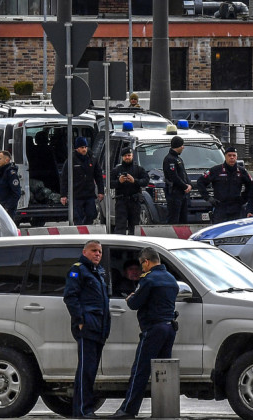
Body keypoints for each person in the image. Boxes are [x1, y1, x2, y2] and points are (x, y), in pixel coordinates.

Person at [112, 246, 179, 419]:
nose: (142, 269)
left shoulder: (148, 279)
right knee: (164, 370)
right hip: (169, 328)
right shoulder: (171, 279)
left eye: (142, 266)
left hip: (153, 329)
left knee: (140, 370)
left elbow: (135, 304)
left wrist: (131, 297)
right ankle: (166, 409)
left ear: (147, 262)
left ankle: (128, 410)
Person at [63, 240, 111, 419]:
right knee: (87, 371)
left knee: (88, 370)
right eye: (93, 250)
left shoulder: (98, 272)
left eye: (99, 251)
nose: (97, 254)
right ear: (84, 252)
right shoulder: (78, 270)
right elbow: (70, 297)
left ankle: (81, 410)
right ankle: (84, 411)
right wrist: (80, 320)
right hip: (88, 327)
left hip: (99, 328)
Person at [197, 147, 252, 223]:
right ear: (225, 156)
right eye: (229, 155)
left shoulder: (241, 171)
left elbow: (250, 185)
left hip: (236, 207)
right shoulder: (216, 170)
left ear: (237, 157)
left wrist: (244, 198)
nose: (232, 157)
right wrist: (208, 197)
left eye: (234, 155)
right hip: (220, 207)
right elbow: (200, 182)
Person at [60, 137, 104, 225]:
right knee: (77, 217)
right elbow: (64, 178)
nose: (84, 149)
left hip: (89, 194)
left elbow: (98, 176)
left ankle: (87, 227)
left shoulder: (93, 159)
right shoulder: (71, 160)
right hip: (76, 195)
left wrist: (100, 191)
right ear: (77, 148)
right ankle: (80, 233)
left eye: (85, 147)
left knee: (91, 214)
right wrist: (63, 195)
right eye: (82, 147)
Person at [110, 147, 149, 235]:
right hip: (121, 202)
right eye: (125, 156)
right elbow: (109, 183)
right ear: (122, 157)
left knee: (134, 227)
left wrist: (134, 181)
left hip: (134, 201)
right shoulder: (116, 170)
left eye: (129, 155)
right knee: (120, 226)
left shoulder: (139, 169)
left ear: (132, 156)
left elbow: (146, 181)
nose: (127, 157)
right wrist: (119, 182)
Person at [163, 136, 192, 224]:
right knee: (174, 219)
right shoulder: (169, 159)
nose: (183, 147)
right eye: (182, 145)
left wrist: (189, 184)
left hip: (182, 194)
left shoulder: (178, 159)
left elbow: (183, 174)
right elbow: (174, 177)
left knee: (183, 219)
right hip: (174, 193)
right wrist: (184, 186)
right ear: (177, 146)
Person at [0, 150, 22, 218]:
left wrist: (7, 207)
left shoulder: (11, 174)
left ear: (7, 160)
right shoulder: (1, 172)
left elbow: (16, 193)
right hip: (0, 207)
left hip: (7, 210)